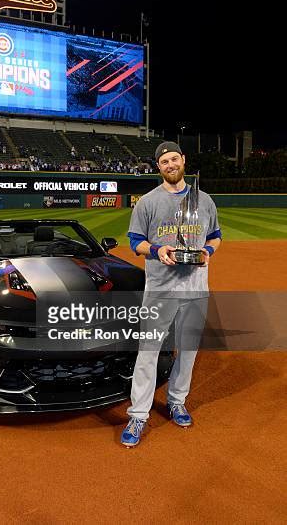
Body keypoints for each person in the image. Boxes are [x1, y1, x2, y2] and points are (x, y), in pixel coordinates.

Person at [121, 141, 222, 447]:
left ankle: (177, 400)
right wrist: (155, 249)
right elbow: (134, 241)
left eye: (174, 159)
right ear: (159, 167)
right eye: (164, 161)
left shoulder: (205, 201)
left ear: (183, 161)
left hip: (195, 288)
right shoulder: (147, 202)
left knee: (188, 351)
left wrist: (206, 250)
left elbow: (216, 237)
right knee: (148, 352)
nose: (170, 165)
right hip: (161, 288)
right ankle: (138, 415)